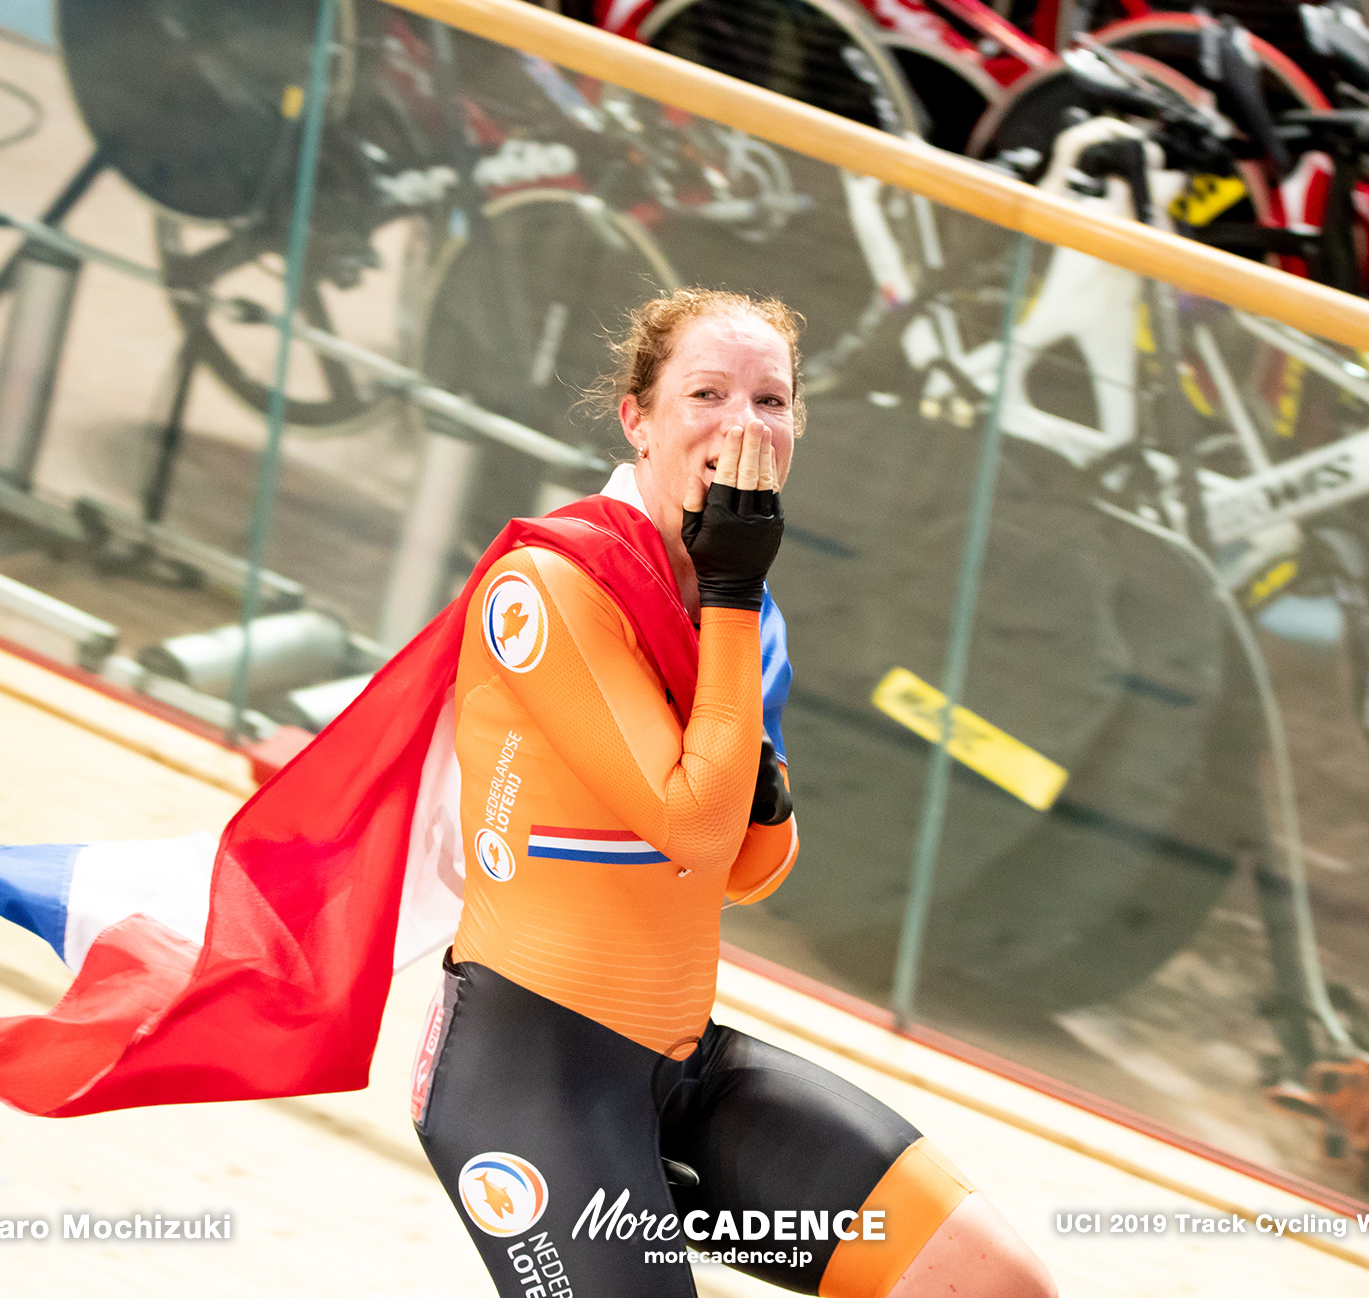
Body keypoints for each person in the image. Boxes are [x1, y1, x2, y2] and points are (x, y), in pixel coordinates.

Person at [409, 288, 1058, 1298]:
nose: (742, 425)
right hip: (531, 1078)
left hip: (681, 1067)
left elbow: (753, 868)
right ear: (638, 417)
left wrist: (742, 678)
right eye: (706, 392)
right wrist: (731, 598)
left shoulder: (744, 610)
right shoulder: (549, 586)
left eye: (771, 400)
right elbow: (692, 826)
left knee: (992, 1282)